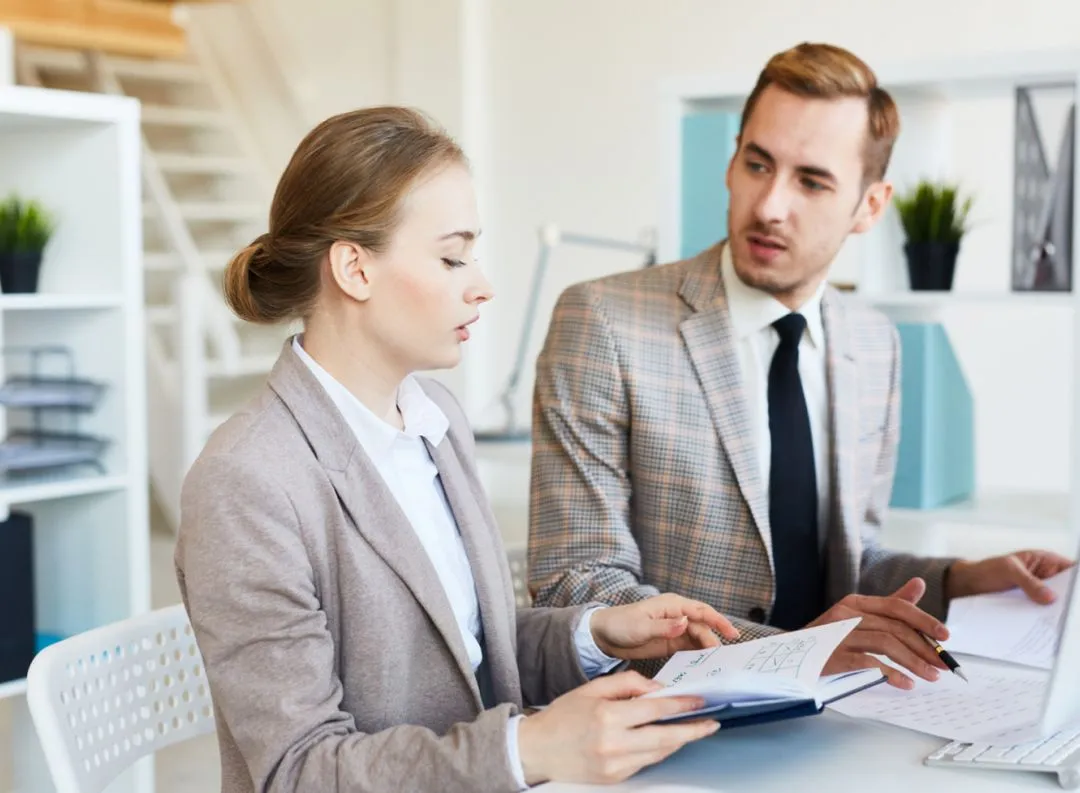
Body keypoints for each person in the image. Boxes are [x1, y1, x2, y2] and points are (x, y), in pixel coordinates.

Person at [173, 106, 742, 793]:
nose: (482, 283)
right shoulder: (247, 480)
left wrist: (596, 634)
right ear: (354, 268)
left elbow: (469, 652)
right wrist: (525, 748)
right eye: (452, 255)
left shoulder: (435, 418)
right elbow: (298, 771)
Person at [527, 41, 1074, 688]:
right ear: (732, 161)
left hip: (838, 710)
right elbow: (578, 586)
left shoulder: (876, 346)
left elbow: (842, 565)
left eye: (811, 181)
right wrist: (792, 650)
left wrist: (961, 582)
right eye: (758, 164)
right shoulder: (604, 321)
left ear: (870, 206)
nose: (770, 206)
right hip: (667, 725)